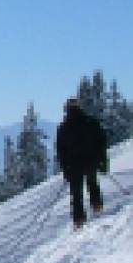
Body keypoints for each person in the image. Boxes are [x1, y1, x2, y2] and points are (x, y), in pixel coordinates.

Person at [55, 97, 108, 229]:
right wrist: (102, 161)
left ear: (67, 109)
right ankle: (97, 207)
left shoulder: (64, 127)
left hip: (73, 165)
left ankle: (79, 221)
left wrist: (65, 168)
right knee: (93, 183)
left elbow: (61, 150)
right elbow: (101, 141)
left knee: (76, 192)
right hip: (91, 161)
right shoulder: (91, 122)